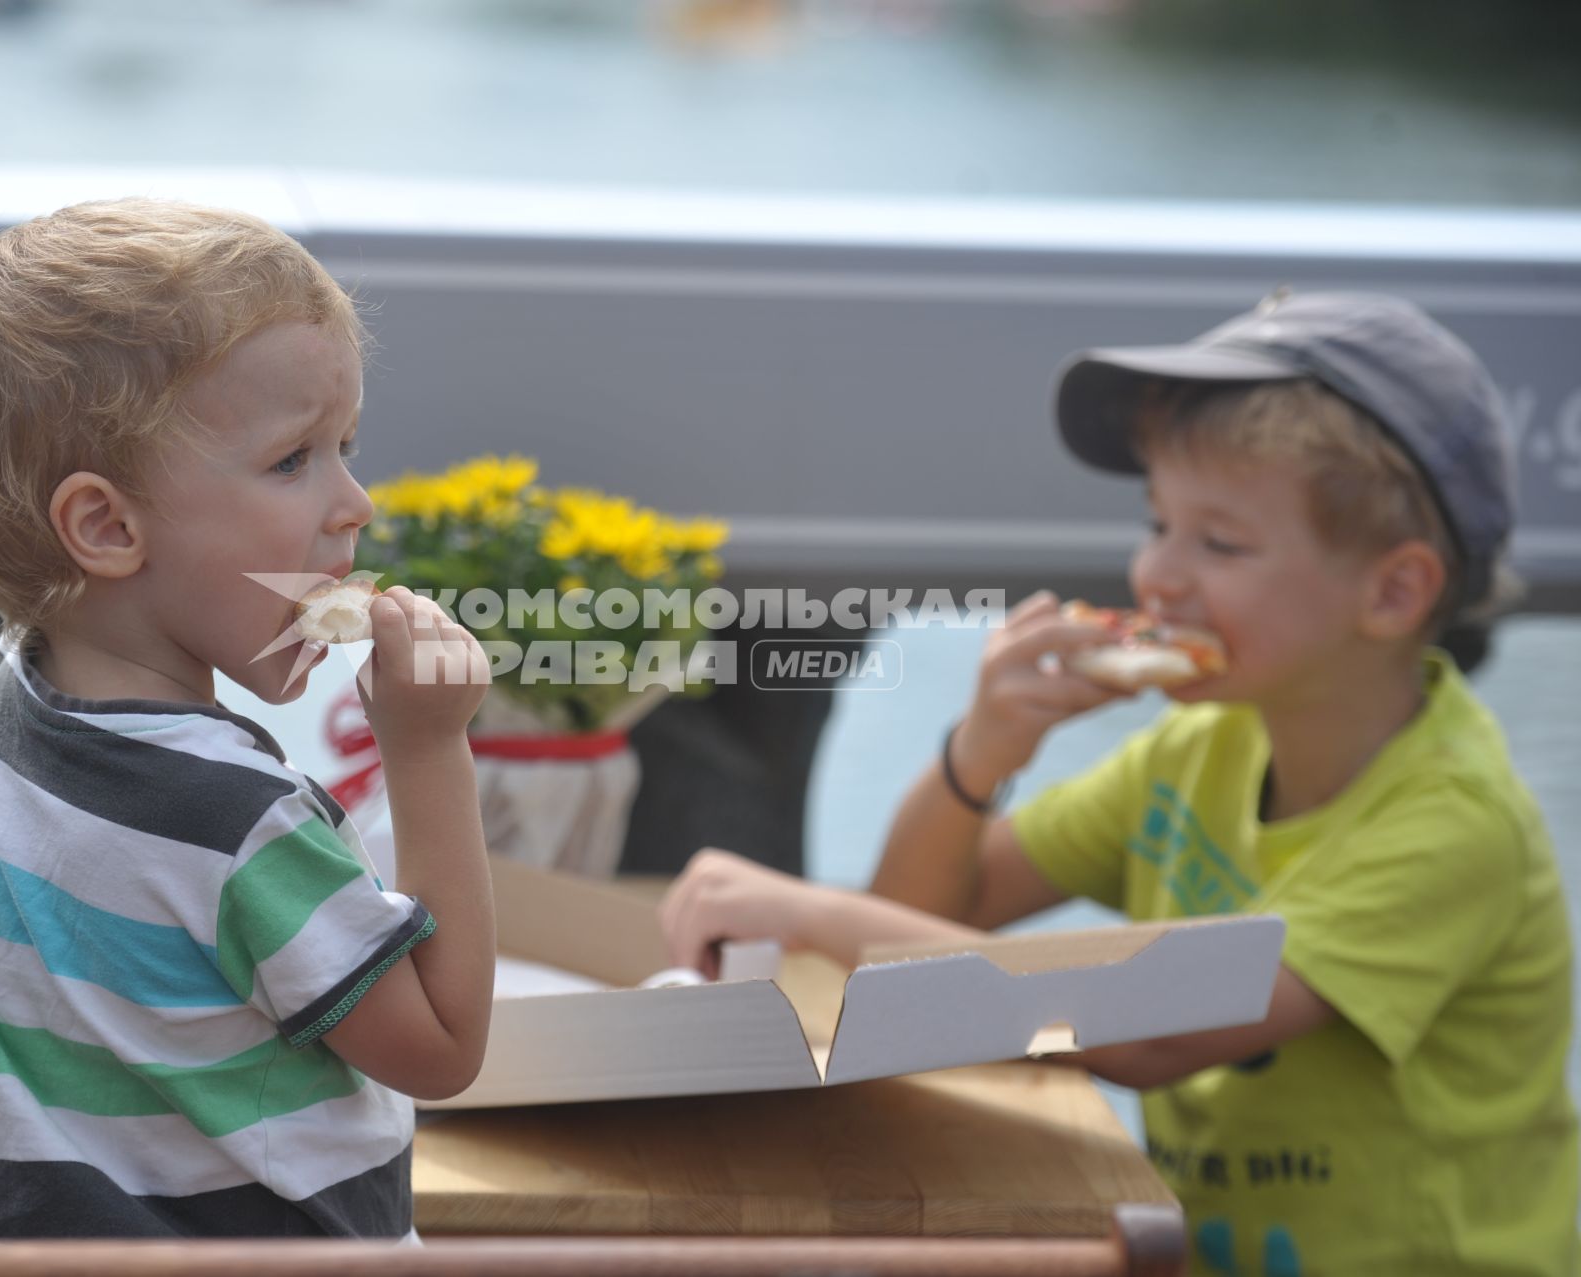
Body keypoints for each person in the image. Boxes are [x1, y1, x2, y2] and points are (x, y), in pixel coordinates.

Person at [660, 292, 1578, 1275]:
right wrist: (983, 749)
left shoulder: (1450, 824)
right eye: (1157, 523)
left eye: (1219, 542)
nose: (1156, 577)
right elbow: (918, 913)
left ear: (1393, 591)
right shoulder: (1200, 745)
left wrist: (800, 904)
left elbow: (1149, 1034)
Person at [0, 198, 494, 1241]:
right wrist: (428, 749)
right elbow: (444, 1045)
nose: (356, 503)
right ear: (107, 525)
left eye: (347, 446)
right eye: (295, 459)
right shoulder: (239, 822)